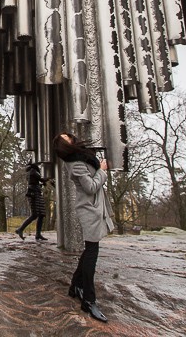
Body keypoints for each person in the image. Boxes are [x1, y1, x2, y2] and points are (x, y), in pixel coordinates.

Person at [53, 132, 113, 323]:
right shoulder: (75, 164)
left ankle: (75, 287)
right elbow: (90, 187)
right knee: (91, 254)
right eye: (65, 138)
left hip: (93, 209)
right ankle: (88, 300)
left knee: (90, 251)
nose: (69, 136)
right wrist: (102, 170)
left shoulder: (78, 156)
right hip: (90, 211)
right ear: (64, 146)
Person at [14, 161, 49, 241]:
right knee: (35, 214)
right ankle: (20, 229)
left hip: (36, 193)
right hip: (33, 194)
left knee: (41, 214)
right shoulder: (33, 171)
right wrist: (48, 178)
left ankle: (38, 234)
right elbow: (41, 179)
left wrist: (41, 183)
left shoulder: (31, 171)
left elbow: (35, 182)